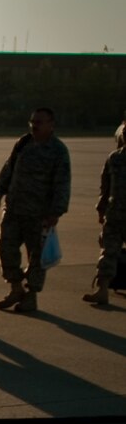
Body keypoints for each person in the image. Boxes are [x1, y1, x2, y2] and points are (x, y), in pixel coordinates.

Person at [0, 106, 71, 315]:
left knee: (36, 257)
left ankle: (31, 297)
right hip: (14, 209)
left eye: (39, 122)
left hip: (39, 214)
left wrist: (56, 211)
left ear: (51, 125)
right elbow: (9, 167)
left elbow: (62, 183)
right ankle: (16, 288)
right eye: (32, 121)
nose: (34, 125)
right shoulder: (23, 143)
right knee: (5, 247)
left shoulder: (58, 151)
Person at [85, 118, 126, 309]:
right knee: (108, 253)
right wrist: (101, 209)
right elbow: (105, 187)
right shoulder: (114, 158)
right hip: (115, 214)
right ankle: (102, 290)